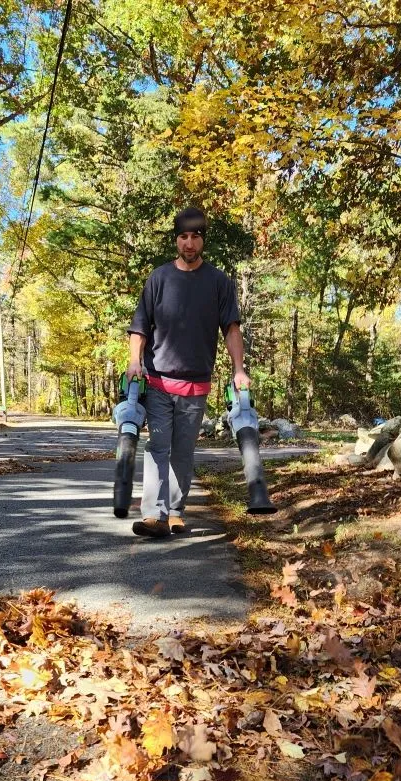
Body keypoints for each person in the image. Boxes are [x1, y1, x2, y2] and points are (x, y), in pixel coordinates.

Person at [126, 206, 250, 538]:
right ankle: (154, 515)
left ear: (203, 241)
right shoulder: (159, 278)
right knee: (159, 447)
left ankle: (176, 511)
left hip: (196, 384)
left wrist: (239, 370)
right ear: (176, 241)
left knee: (183, 451)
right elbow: (140, 327)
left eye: (195, 237)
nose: (190, 243)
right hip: (159, 379)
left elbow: (231, 328)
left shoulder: (219, 282)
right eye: (184, 237)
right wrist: (134, 361)